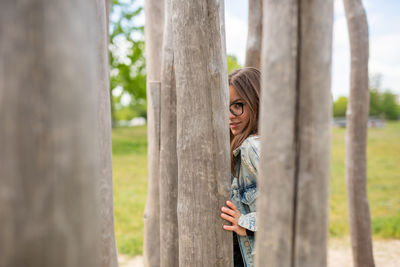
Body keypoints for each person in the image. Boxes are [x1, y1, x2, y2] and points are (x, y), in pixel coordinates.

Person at [221, 67, 260, 267]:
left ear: (257, 103)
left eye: (238, 105)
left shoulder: (252, 147)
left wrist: (245, 222)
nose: (230, 115)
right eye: (226, 106)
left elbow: (290, 209)